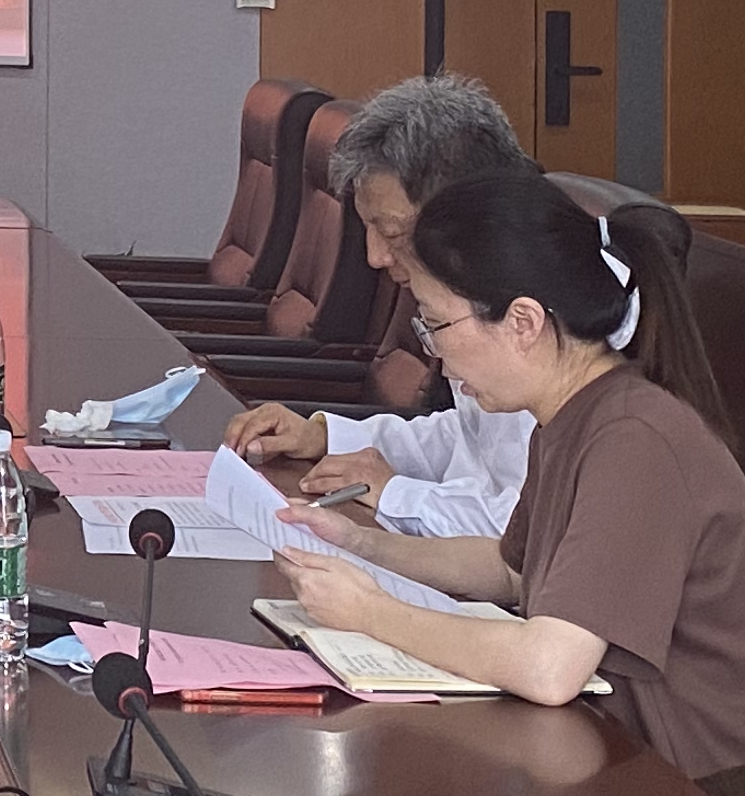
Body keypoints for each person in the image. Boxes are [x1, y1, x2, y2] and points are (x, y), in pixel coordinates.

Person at [277, 171, 745, 796]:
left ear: (523, 322)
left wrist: (371, 612)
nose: (433, 352)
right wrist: (361, 544)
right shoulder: (571, 416)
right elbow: (511, 569)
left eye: (436, 323)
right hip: (634, 776)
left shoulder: (635, 439)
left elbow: (550, 668)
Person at [220, 73, 540, 535]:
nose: (376, 256)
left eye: (391, 232)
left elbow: (525, 530)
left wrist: (394, 493)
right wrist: (326, 436)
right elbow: (469, 441)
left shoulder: (542, 320)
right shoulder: (482, 287)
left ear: (466, 210)